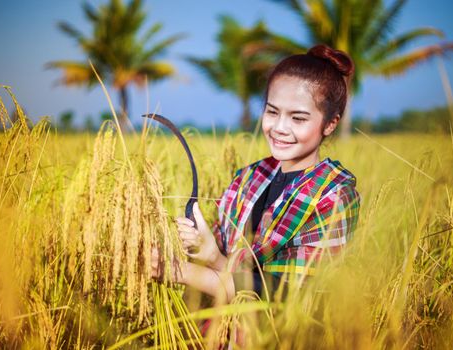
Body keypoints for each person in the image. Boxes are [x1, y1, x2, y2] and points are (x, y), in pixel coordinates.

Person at [152, 43, 360, 303]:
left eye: (298, 118)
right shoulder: (249, 178)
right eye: (272, 112)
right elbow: (231, 272)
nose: (280, 128)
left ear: (330, 124)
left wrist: (177, 270)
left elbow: (285, 295)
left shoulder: (333, 197)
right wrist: (210, 253)